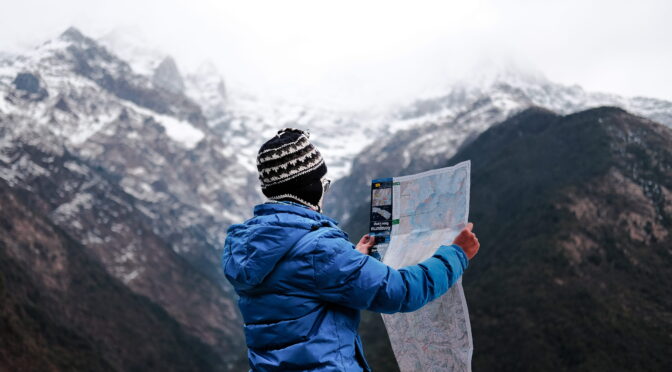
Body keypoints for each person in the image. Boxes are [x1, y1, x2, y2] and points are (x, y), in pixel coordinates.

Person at [222, 128, 480, 371]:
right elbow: (400, 292)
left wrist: (352, 260)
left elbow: (295, 289)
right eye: (324, 181)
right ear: (310, 186)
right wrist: (456, 254)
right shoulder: (319, 251)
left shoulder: (250, 245)